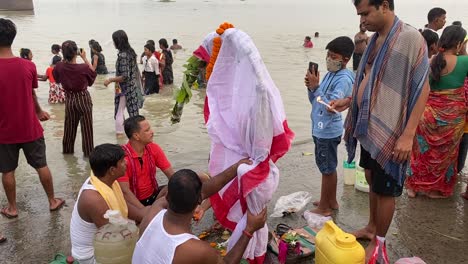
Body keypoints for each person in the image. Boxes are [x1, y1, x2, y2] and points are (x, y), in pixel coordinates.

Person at [329, 1, 430, 262]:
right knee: (372, 177)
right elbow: (371, 80)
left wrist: (408, 135)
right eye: (359, 14)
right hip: (370, 127)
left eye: (365, 13)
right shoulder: (376, 39)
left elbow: (422, 89)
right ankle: (372, 227)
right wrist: (350, 100)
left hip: (393, 131)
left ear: (384, 5)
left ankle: (380, 244)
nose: (362, 20)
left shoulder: (409, 38)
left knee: (386, 189)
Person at [133, 160, 269, 264]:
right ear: (199, 200)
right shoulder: (196, 249)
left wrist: (235, 168)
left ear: (167, 196)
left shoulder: (154, 210)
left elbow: (205, 190)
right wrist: (249, 230)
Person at [0, 18, 64, 219]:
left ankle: (12, 208)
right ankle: (52, 201)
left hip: (4, 130)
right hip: (29, 127)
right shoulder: (27, 66)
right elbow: (32, 94)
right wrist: (39, 112)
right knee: (41, 165)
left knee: (7, 170)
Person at [406, 26, 468, 199]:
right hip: (452, 118)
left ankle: (413, 187)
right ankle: (435, 190)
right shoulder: (465, 61)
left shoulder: (431, 60)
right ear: (458, 44)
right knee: (445, 156)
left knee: (420, 152)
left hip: (426, 114)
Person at [70, 144, 147, 264]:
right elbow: (117, 238)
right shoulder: (93, 199)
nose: (126, 162)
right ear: (112, 170)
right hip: (91, 255)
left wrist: (146, 214)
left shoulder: (105, 180)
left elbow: (124, 205)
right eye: (122, 161)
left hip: (110, 235)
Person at [305, 36, 355, 216]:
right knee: (327, 166)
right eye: (328, 55)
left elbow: (330, 108)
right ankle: (330, 200)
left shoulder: (343, 79)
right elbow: (315, 102)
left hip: (327, 130)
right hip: (321, 128)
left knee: (327, 169)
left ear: (345, 59)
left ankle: (324, 207)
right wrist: (312, 88)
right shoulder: (331, 74)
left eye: (334, 56)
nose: (329, 59)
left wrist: (316, 88)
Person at [118, 115, 174, 208]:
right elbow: (125, 192)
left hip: (153, 197)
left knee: (176, 186)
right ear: (136, 136)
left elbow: (171, 175)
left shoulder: (153, 148)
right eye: (147, 130)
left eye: (150, 129)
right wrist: (144, 211)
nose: (152, 132)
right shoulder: (122, 157)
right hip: (131, 203)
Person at [53, 40, 97, 156]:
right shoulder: (83, 67)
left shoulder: (59, 66)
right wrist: (85, 59)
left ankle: (67, 154)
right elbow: (92, 77)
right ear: (76, 52)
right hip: (83, 98)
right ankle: (88, 155)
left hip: (69, 99)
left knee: (69, 129)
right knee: (87, 130)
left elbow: (56, 79)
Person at [104, 30, 144, 137]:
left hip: (123, 89)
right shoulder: (131, 52)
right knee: (134, 114)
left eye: (114, 41)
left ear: (118, 41)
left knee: (119, 112)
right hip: (132, 87)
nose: (113, 43)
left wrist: (110, 80)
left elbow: (124, 76)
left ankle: (120, 136)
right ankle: (138, 135)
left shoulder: (123, 55)